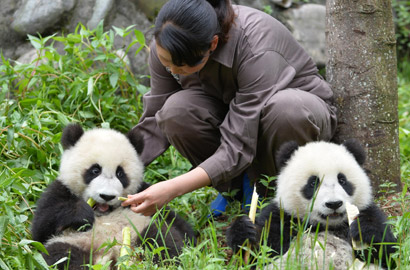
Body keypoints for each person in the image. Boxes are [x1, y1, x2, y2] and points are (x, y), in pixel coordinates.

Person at [122, 0, 337, 217]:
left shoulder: (256, 47)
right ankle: (234, 190)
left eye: (182, 67)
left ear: (213, 44)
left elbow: (238, 143)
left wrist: (172, 189)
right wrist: (115, 169)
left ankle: (272, 194)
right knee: (175, 112)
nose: (173, 70)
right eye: (167, 64)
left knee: (286, 110)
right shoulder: (168, 46)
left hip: (296, 119)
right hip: (234, 116)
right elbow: (154, 119)